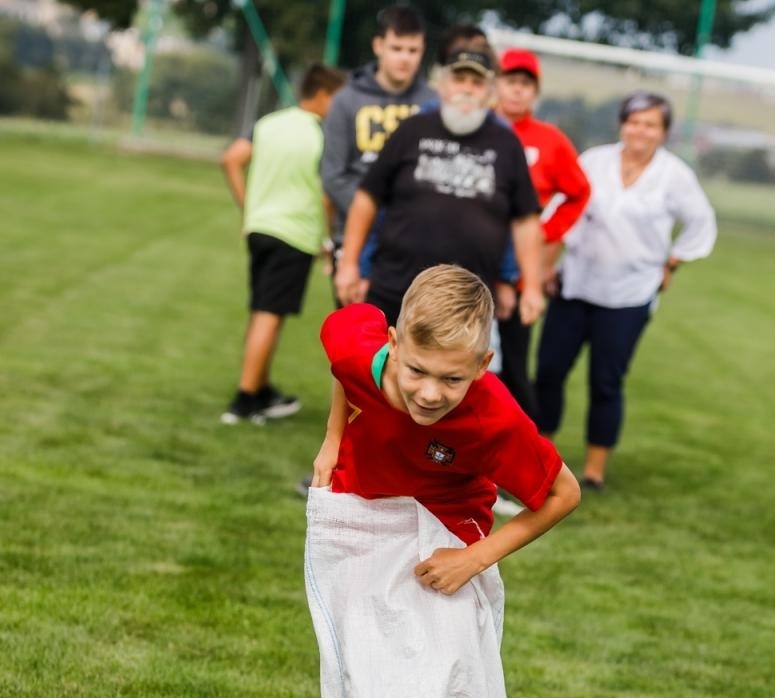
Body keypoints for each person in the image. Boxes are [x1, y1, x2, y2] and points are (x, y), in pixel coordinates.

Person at [254, 265, 581, 698]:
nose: (431, 393)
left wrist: (475, 558)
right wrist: (333, 439)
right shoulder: (353, 342)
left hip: (445, 546)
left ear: (485, 366)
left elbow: (561, 494)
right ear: (394, 343)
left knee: (447, 696)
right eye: (417, 372)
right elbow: (347, 376)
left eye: (453, 379)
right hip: (362, 526)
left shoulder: (492, 416)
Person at [533, 92, 716, 490]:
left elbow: (701, 223)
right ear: (622, 124)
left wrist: (672, 262)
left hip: (629, 294)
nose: (640, 130)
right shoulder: (593, 162)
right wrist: (547, 265)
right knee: (548, 371)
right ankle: (540, 456)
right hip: (575, 283)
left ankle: (595, 470)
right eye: (634, 121)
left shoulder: (674, 175)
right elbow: (559, 213)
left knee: (605, 380)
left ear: (664, 132)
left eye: (650, 124)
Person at [334, 47, 546, 331]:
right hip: (393, 286)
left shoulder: (507, 144)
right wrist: (350, 264)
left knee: (451, 375)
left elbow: (525, 220)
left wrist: (530, 285)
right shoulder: (411, 129)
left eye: (477, 83)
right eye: (459, 79)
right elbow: (367, 198)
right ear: (443, 85)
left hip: (467, 301)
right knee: (366, 370)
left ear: (489, 91)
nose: (467, 90)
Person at [218, 64, 347, 425]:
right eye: (339, 99)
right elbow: (326, 195)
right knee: (269, 316)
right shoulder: (321, 135)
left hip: (259, 229)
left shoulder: (270, 122)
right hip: (293, 234)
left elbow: (231, 159)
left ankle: (260, 390)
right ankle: (244, 401)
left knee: (262, 310)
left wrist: (250, 209)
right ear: (322, 95)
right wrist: (332, 236)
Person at [492, 47, 591, 421]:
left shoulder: (549, 140)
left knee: (513, 369)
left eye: (525, 84)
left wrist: (545, 233)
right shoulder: (479, 126)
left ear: (535, 91)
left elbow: (579, 192)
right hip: (467, 262)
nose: (517, 90)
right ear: (496, 83)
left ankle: (530, 459)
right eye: (510, 81)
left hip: (517, 274)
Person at [320, 5, 434, 286]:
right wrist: (377, 214)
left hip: (415, 241)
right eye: (397, 48)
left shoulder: (433, 105)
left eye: (413, 50)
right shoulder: (346, 100)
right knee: (358, 328)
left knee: (413, 329)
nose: (404, 58)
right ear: (378, 46)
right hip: (355, 240)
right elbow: (333, 175)